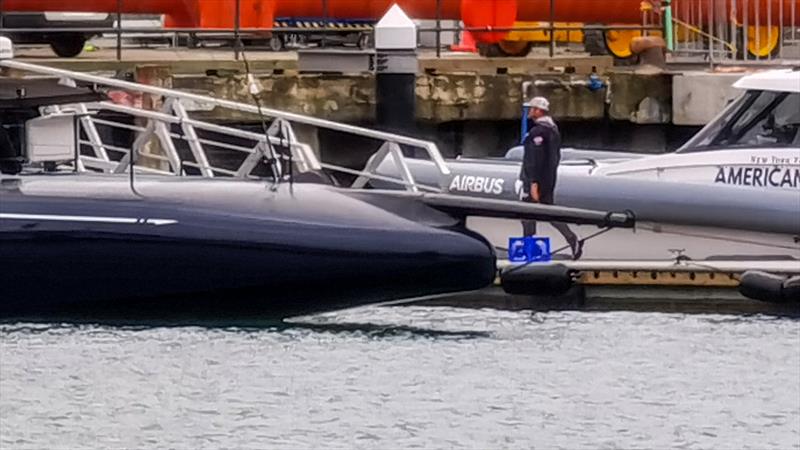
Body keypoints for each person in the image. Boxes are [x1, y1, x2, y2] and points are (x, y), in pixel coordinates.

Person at [519, 96, 583, 260]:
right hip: (549, 179)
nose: (529, 111)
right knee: (547, 212)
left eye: (532, 108)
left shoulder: (538, 132)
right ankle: (571, 238)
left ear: (538, 111)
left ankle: (529, 250)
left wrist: (533, 183)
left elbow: (535, 158)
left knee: (527, 214)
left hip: (535, 181)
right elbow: (555, 157)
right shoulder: (553, 130)